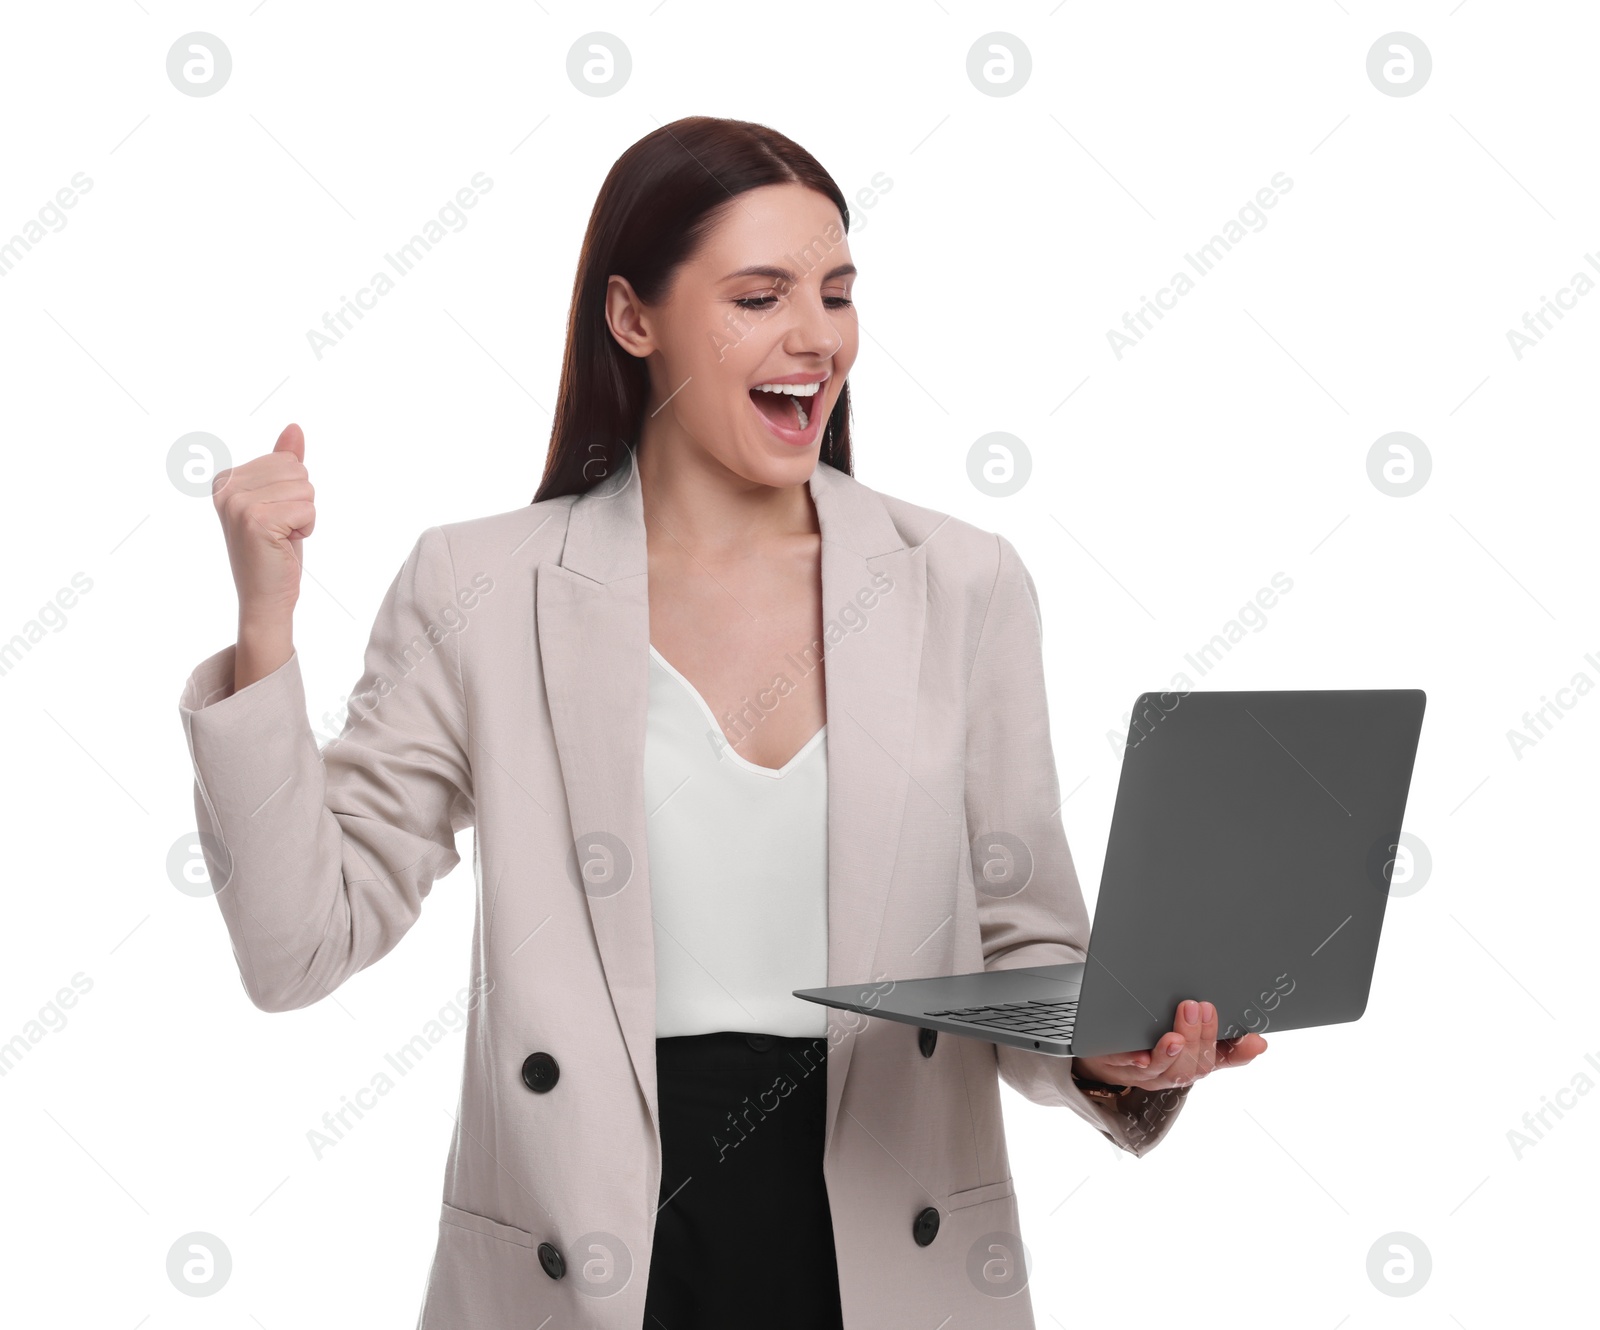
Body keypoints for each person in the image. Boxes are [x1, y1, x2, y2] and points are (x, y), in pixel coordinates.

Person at [178, 115, 1267, 1330]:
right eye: (759, 296)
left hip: (881, 1247)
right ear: (632, 319)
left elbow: (1021, 951)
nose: (815, 336)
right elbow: (299, 947)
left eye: (837, 293)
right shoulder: (478, 585)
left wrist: (1115, 1054)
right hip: (591, 1246)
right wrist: (266, 623)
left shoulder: (960, 582)